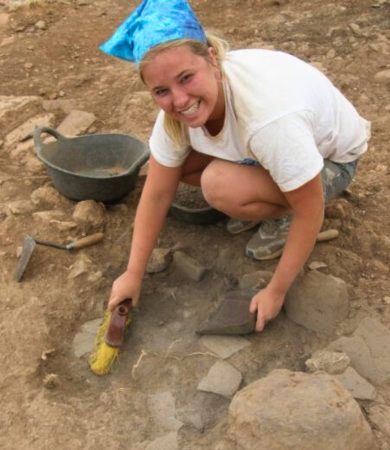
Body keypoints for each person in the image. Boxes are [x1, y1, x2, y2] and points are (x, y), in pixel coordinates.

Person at [101, 0, 370, 332]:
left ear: (212, 58)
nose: (180, 100)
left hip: (332, 162)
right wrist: (133, 274)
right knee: (175, 165)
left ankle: (279, 220)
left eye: (186, 78)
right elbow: (157, 193)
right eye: (161, 91)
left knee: (218, 184)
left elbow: (311, 206)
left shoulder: (268, 117)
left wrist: (276, 290)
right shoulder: (177, 117)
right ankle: (260, 193)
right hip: (273, 150)